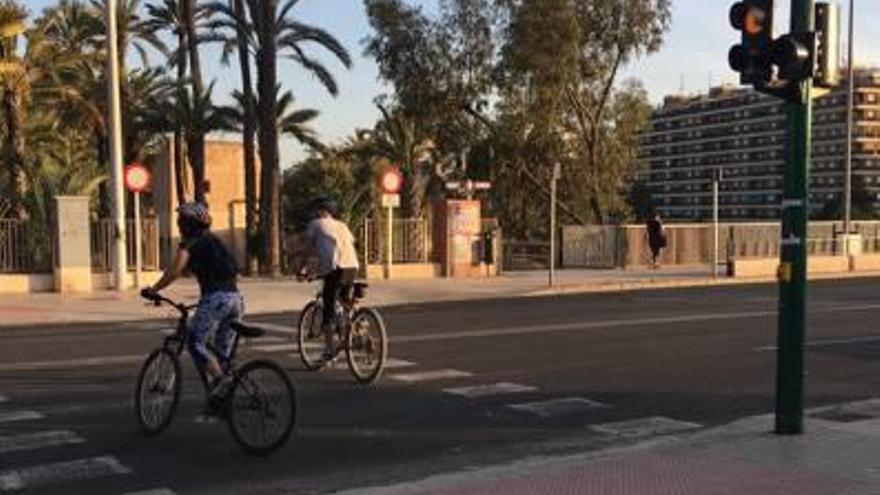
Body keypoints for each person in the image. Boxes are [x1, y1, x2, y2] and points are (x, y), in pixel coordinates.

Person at [141, 202, 243, 399]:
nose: (179, 224)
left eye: (181, 221)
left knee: (196, 344)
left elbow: (175, 270)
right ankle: (222, 402)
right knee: (222, 355)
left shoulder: (191, 243)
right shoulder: (215, 241)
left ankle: (222, 382)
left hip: (216, 299)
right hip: (236, 300)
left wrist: (154, 289)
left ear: (187, 224)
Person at [295, 196, 360, 365]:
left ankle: (330, 351)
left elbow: (308, 249)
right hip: (352, 266)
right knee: (346, 301)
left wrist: (302, 269)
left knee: (328, 311)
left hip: (335, 268)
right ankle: (356, 326)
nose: (314, 214)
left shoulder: (316, 224)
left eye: (316, 210)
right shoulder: (342, 225)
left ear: (320, 211)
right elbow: (347, 244)